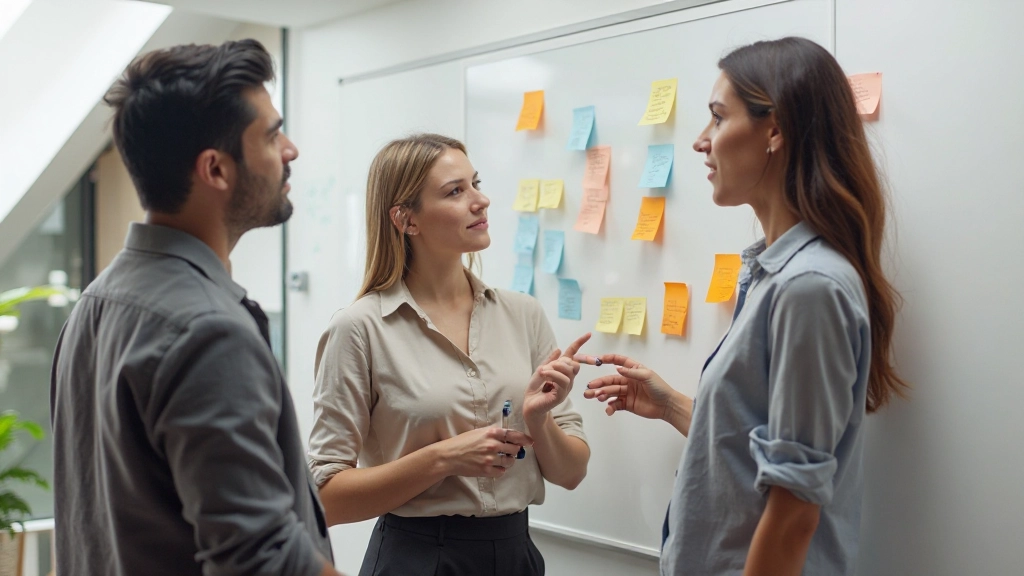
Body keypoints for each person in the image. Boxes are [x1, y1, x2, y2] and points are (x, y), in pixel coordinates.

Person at [581, 37, 907, 576]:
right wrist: (671, 406)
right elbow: (758, 449)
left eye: (716, 118)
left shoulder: (809, 286)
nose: (700, 142)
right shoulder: (772, 274)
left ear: (774, 130)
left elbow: (795, 512)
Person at [50, 40, 340, 576]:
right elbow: (263, 560)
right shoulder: (208, 330)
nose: (291, 149)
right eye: (272, 135)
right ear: (216, 170)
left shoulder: (93, 304)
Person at [308, 133, 591, 576]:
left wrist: (538, 419)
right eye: (455, 191)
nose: (481, 201)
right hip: (416, 558)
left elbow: (571, 473)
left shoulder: (523, 314)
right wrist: (444, 458)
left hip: (517, 554)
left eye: (475, 183)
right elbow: (324, 499)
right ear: (407, 220)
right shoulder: (358, 329)